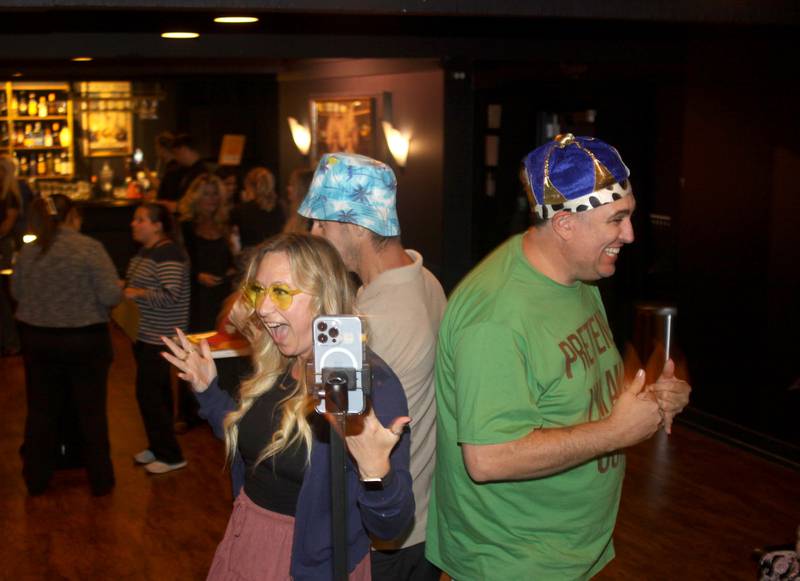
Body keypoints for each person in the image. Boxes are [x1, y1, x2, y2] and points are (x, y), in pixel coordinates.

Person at [426, 134, 692, 580]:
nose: (630, 234)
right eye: (616, 220)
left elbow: (570, 391)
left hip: (568, 551)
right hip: (512, 564)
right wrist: (615, 432)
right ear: (565, 223)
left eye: (629, 215)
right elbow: (489, 458)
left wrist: (648, 401)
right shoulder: (495, 319)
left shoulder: (579, 278)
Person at [161, 233, 415, 580]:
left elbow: (392, 526)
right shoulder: (278, 363)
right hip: (248, 538)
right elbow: (257, 445)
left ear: (325, 295)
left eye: (280, 291)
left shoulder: (372, 386)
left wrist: (376, 472)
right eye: (257, 291)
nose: (263, 308)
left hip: (310, 564)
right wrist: (208, 391)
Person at [299, 153, 447, 580]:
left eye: (321, 224)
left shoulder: (379, 321)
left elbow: (350, 435)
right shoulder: (422, 278)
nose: (313, 234)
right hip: (421, 517)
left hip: (387, 535)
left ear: (357, 227)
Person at [11, 194, 121, 496]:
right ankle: (100, 480)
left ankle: (36, 479)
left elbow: (16, 292)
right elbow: (111, 295)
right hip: (85, 339)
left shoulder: (30, 250)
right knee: (91, 412)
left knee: (41, 411)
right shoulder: (89, 248)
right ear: (73, 215)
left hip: (38, 339)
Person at [126, 203, 190, 474]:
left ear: (157, 226)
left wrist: (137, 293)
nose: (134, 224)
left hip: (160, 336)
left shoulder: (168, 253)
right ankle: (157, 446)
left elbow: (170, 295)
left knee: (150, 395)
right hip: (145, 334)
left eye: (140, 219)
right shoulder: (147, 251)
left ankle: (171, 455)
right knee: (156, 394)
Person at [229, 167, 285, 258]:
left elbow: (234, 242)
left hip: (250, 258)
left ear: (249, 186)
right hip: (275, 255)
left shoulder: (240, 210)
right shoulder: (280, 207)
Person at [0, 155, 22, 355]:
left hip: (4, 247)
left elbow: (7, 225)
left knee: (4, 295)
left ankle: (11, 342)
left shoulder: (10, 196)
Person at [153, 131, 185, 212]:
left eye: (157, 147)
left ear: (162, 149)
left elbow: (163, 190)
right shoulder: (170, 166)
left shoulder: (173, 169)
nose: (156, 150)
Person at [171, 133, 208, 201]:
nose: (176, 158)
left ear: (184, 149)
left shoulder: (200, 173)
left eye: (176, 153)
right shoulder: (189, 170)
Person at [282, 167, 313, 234]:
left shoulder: (310, 220)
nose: (288, 188)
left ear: (302, 189)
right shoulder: (294, 213)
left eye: (292, 185)